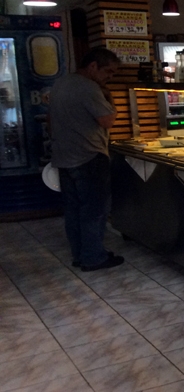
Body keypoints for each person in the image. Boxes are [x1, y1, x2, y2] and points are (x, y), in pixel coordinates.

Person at [50, 47, 124, 272]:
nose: (110, 77)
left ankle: (80, 255)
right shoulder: (88, 87)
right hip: (88, 156)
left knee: (74, 210)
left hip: (64, 157)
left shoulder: (61, 83)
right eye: (108, 71)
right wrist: (110, 100)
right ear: (93, 66)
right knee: (95, 210)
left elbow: (50, 119)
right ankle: (93, 258)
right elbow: (107, 120)